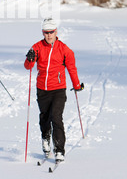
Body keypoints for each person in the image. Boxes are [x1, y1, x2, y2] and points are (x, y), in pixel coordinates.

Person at [24, 17, 83, 162]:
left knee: (56, 118)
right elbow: (28, 66)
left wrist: (76, 85)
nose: (49, 35)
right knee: (44, 117)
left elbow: (71, 69)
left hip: (58, 89)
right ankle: (45, 139)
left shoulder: (64, 49)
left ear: (56, 31)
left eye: (51, 32)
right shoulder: (37, 47)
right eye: (46, 32)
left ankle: (59, 150)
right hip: (42, 89)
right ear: (42, 33)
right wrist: (30, 59)